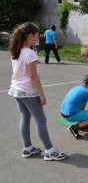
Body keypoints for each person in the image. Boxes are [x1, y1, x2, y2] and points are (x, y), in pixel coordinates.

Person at [8, 22, 67, 161]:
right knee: (41, 119)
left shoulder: (15, 50)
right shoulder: (30, 53)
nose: (38, 37)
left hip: (16, 89)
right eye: (36, 35)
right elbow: (33, 76)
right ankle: (50, 150)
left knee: (25, 117)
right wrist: (41, 94)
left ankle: (27, 147)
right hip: (28, 91)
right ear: (29, 36)